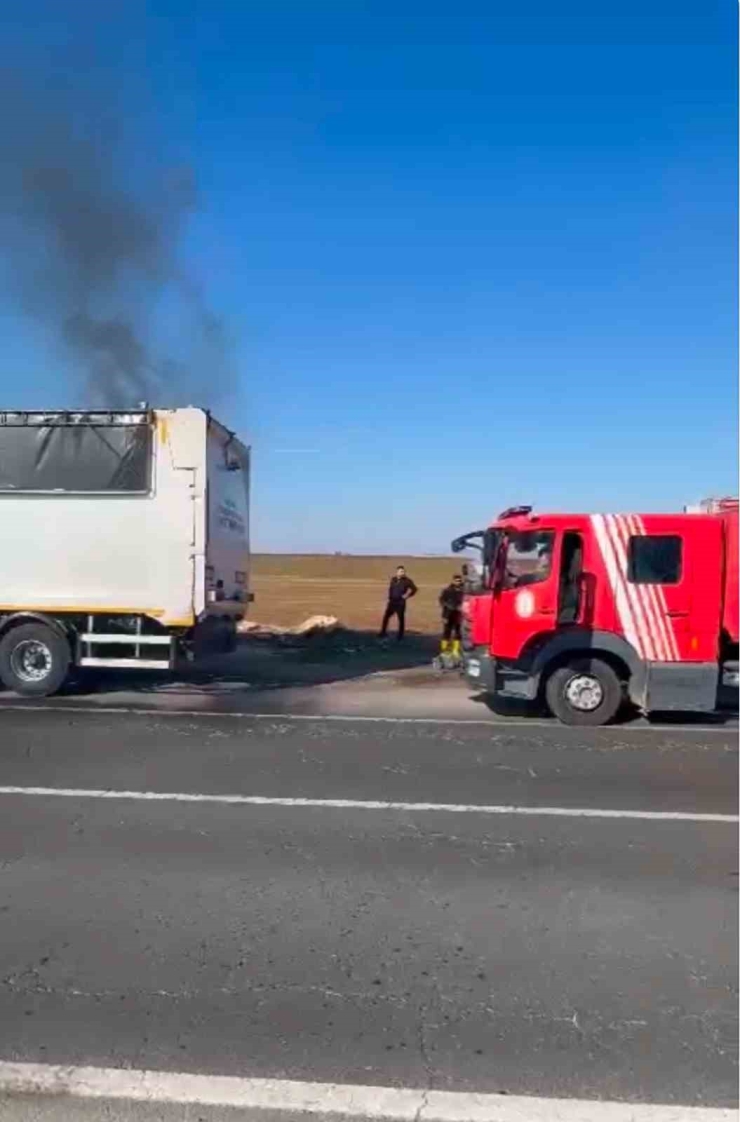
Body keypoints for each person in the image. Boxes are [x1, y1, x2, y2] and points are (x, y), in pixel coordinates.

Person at [379, 565, 418, 641]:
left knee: (401, 619)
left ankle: (400, 635)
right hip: (392, 602)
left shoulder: (407, 581)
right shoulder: (393, 579)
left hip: (400, 603)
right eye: (400, 571)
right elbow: (391, 588)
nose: (402, 573)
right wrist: (390, 596)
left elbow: (414, 589)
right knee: (386, 617)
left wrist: (407, 595)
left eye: (403, 571)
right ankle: (383, 632)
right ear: (397, 572)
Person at [438, 573, 464, 659]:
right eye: (456, 580)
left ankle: (455, 650)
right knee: (446, 632)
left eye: (459, 580)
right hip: (448, 614)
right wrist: (447, 605)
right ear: (453, 581)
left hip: (459, 615)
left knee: (458, 633)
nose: (458, 582)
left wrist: (461, 606)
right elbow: (441, 600)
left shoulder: (463, 591)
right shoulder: (447, 590)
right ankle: (444, 650)